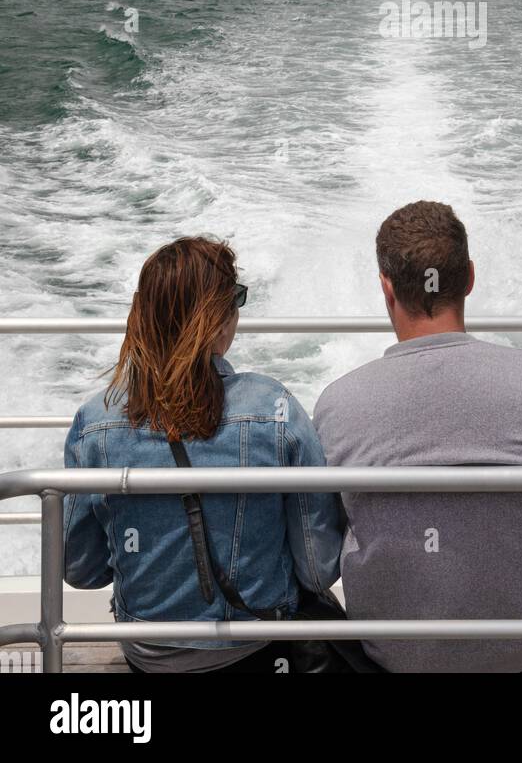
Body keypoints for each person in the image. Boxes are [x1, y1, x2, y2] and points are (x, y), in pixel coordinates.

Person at [314, 200, 522, 674]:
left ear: (386, 288)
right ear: (469, 277)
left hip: (393, 657)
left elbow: (323, 551)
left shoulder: (337, 403)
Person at [63, 237, 342, 673]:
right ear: (217, 321)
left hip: (147, 655)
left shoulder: (95, 421)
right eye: (236, 299)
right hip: (256, 649)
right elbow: (318, 568)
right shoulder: (275, 408)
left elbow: (82, 570)